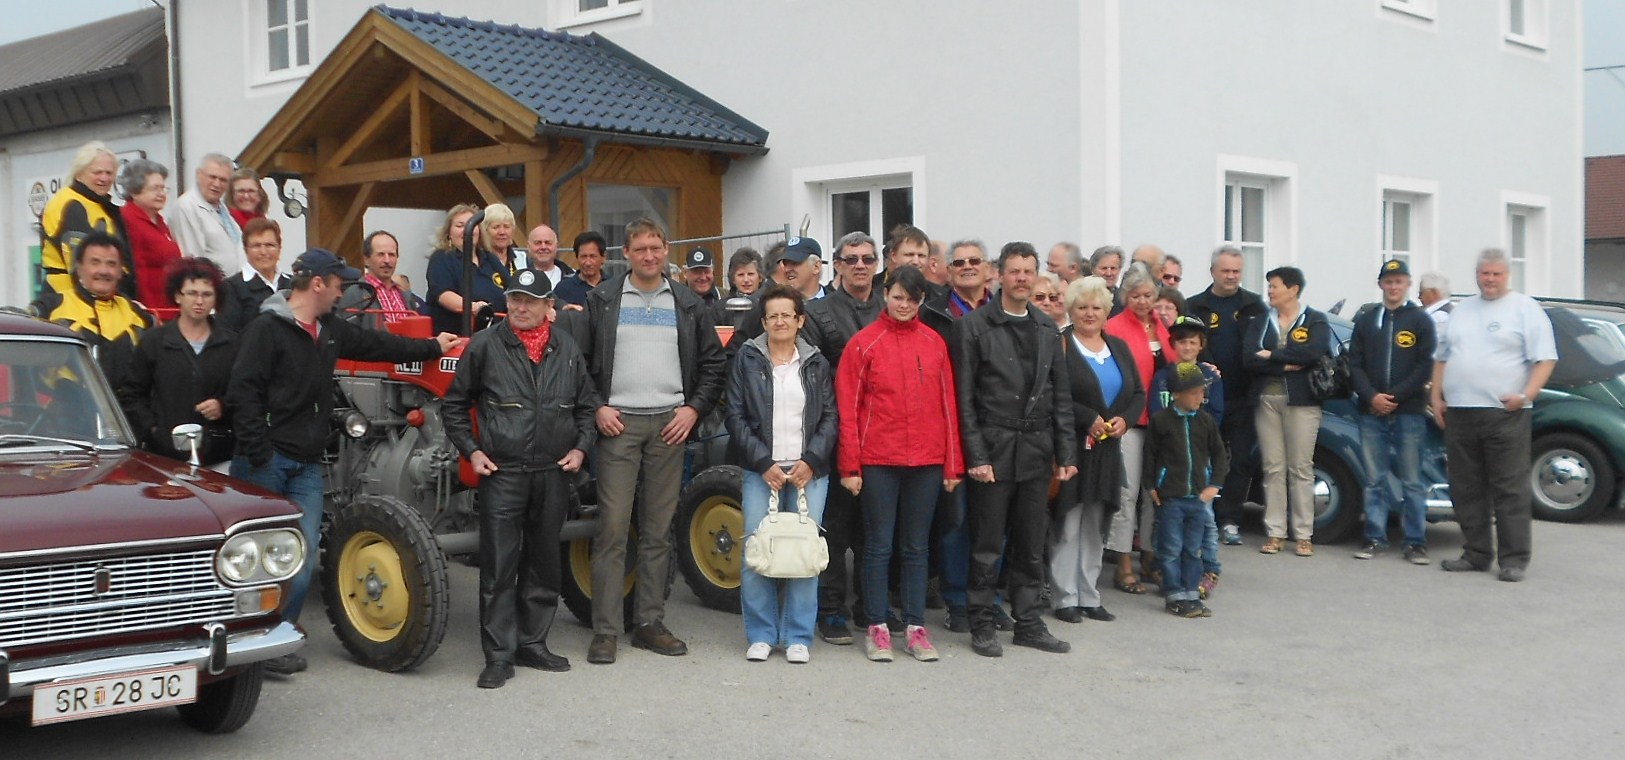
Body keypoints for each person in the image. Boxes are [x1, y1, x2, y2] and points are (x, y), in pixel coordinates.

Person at [228, 249, 460, 675]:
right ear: (318, 283)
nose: (343, 292)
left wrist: (432, 346)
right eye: (339, 284)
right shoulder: (266, 329)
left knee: (302, 551)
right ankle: (242, 636)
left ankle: (277, 638)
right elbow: (243, 391)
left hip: (306, 460)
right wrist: (258, 448)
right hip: (267, 458)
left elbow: (379, 345)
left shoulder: (329, 329)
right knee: (257, 553)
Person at [444, 268, 599, 688]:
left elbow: (587, 405)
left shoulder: (566, 347)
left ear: (550, 306)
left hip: (552, 471)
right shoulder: (485, 346)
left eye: (531, 300)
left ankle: (533, 643)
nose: (521, 307)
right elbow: (454, 405)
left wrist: (580, 448)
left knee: (544, 562)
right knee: (499, 566)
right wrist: (472, 451)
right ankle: (498, 655)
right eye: (515, 298)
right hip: (504, 472)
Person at [581, 217, 726, 664]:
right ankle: (604, 631)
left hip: (669, 425)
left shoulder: (687, 303)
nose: (649, 255)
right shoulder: (602, 299)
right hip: (618, 427)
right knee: (611, 530)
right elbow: (579, 365)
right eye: (641, 248)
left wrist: (693, 409)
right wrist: (597, 408)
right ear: (626, 253)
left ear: (666, 251)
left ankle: (647, 622)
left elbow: (713, 365)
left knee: (658, 532)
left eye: (656, 248)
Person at [952, 242, 1077, 658]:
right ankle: (982, 621)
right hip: (994, 446)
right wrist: (977, 456)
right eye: (1014, 271)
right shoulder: (973, 327)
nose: (1021, 278)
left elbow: (1060, 396)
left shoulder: (1046, 328)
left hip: (1038, 449)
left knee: (1029, 542)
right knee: (987, 543)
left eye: (1028, 271)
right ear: (998, 276)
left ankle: (1028, 621)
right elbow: (964, 399)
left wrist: (1067, 454)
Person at [837, 266, 961, 661]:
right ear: (884, 294)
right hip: (878, 459)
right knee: (876, 547)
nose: (904, 304)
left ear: (922, 299)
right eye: (897, 296)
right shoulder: (863, 344)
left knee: (916, 547)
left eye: (912, 298)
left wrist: (952, 465)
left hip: (926, 459)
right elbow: (848, 410)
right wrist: (850, 466)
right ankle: (876, 626)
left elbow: (948, 407)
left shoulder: (935, 343)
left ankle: (915, 627)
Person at [726, 284, 837, 664]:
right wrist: (763, 463)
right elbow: (736, 416)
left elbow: (829, 418)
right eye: (772, 315)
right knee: (757, 550)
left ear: (800, 320)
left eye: (786, 315)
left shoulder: (817, 362)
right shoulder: (748, 358)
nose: (779, 321)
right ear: (763, 321)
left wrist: (811, 460)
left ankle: (797, 636)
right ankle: (760, 633)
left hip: (809, 471)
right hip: (763, 470)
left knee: (803, 552)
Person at [1430, 249, 1555, 583]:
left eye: (1496, 274)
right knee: (1465, 486)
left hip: (1505, 412)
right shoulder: (1461, 310)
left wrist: (1526, 395)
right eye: (1485, 273)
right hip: (1460, 412)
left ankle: (1513, 560)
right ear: (1477, 275)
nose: (1490, 280)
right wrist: (1436, 395)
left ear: (1507, 276)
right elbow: (1442, 356)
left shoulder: (1525, 309)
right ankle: (1475, 553)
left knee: (1509, 488)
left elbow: (1545, 359)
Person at [786, 231, 884, 645]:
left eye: (867, 258)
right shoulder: (818, 312)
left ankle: (870, 606)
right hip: (836, 433)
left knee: (874, 529)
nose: (860, 265)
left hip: (882, 434)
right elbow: (814, 380)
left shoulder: (889, 306)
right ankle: (830, 611)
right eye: (851, 259)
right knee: (832, 527)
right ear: (836, 266)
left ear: (877, 264)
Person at [1051, 276, 1141, 626]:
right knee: (1069, 523)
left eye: (1097, 307)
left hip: (1106, 451)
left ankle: (1089, 594)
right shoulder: (1060, 345)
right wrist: (1087, 417)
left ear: (1107, 312)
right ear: (1071, 310)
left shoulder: (1118, 347)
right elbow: (1052, 394)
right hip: (1072, 448)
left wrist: (1125, 421)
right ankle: (1064, 597)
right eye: (1083, 307)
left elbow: (1137, 395)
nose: (1090, 313)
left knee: (1095, 525)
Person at [920, 238, 999, 634]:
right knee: (956, 518)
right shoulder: (932, 314)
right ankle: (957, 601)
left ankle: (989, 597)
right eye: (960, 262)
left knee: (994, 521)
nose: (967, 267)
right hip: (948, 426)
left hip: (996, 427)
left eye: (975, 261)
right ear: (948, 270)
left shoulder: (1004, 311)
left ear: (988, 269)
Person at [1349, 259, 1436, 565]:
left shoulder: (1421, 320)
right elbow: (1354, 363)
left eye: (1399, 281)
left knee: (1412, 479)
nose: (1394, 286)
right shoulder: (1367, 320)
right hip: (1370, 410)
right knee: (1374, 478)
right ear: (1380, 284)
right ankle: (1375, 537)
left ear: (1408, 284)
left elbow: (1425, 364)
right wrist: (1372, 396)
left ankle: (1415, 541)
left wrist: (1396, 396)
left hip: (1409, 410)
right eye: (1389, 281)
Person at [1244, 266, 1331, 557]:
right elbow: (1249, 358)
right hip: (1267, 400)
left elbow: (1313, 353)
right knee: (1273, 467)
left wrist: (1272, 355)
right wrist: (1283, 365)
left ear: (1293, 289)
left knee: (1301, 468)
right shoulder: (1260, 321)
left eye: (1275, 286)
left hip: (1303, 402)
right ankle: (1275, 532)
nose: (1269, 291)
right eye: (1269, 286)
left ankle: (1304, 533)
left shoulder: (1315, 319)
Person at [119, 257, 237, 466]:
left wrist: (223, 405)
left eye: (207, 294)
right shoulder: (154, 341)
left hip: (219, 457)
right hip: (164, 459)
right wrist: (154, 430)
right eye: (192, 293)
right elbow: (131, 395)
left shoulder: (232, 344)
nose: (199, 301)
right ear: (177, 296)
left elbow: (246, 393)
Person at [1186, 245, 1266, 545]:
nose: (1231, 276)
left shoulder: (1255, 306)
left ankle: (1230, 519)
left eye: (1236, 271)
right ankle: (1201, 514)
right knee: (1204, 458)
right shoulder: (1195, 306)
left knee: (1241, 460)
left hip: (1245, 397)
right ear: (1212, 272)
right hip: (1205, 399)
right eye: (1226, 271)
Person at [1103, 264, 1171, 593]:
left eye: (1148, 295)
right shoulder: (1114, 327)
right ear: (1124, 296)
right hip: (1128, 419)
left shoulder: (1164, 326)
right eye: (1135, 295)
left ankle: (1149, 554)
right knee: (1126, 494)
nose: (1142, 301)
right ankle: (1123, 561)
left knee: (1153, 493)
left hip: (1162, 421)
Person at [1148, 316, 1225, 598]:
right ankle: (1165, 569)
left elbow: (1216, 413)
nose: (1187, 347)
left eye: (1193, 342)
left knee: (1205, 519)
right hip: (1170, 462)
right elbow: (1157, 412)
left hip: (1199, 460)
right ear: (1173, 345)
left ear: (1200, 345)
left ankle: (1209, 569)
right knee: (1167, 519)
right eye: (1182, 342)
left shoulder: (1211, 376)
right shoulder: (1162, 377)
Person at [30, 231, 153, 391]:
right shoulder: (49, 308)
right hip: (64, 409)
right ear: (79, 268)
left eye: (111, 264)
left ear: (120, 272)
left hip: (124, 412)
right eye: (95, 262)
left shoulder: (138, 316)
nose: (103, 271)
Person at [38, 141, 127, 298]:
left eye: (109, 173)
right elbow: (81, 268)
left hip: (99, 300)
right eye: (97, 172)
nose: (104, 178)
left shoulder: (98, 204)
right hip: (68, 302)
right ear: (79, 174)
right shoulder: (71, 204)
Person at [426, 203, 507, 335]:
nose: (466, 230)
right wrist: (474, 307)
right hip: (456, 337)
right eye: (460, 226)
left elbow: (511, 287)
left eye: (471, 225)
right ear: (449, 233)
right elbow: (442, 294)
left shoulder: (489, 258)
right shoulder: (442, 258)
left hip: (494, 336)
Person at [118, 159, 183, 309]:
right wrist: (149, 311)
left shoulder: (159, 221)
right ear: (135, 191)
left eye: (163, 188)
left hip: (170, 304)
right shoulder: (128, 219)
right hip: (152, 308)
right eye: (155, 189)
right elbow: (138, 270)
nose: (161, 194)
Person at [168, 153, 243, 275]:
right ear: (198, 175)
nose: (217, 184)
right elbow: (192, 258)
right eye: (212, 177)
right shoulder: (186, 207)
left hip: (235, 286)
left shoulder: (222, 208)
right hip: (212, 287)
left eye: (223, 180)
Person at [220, 218, 292, 333]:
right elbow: (228, 335)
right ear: (245, 250)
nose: (263, 252)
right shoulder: (231, 288)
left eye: (269, 245)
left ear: (279, 248)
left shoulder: (293, 284)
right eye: (256, 246)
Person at [337, 230, 421, 327]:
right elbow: (347, 335)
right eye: (381, 254)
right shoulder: (354, 294)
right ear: (366, 260)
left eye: (391, 255)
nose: (387, 260)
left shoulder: (406, 295)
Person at [555, 231, 609, 309]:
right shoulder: (563, 288)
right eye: (583, 256)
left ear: (603, 258)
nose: (588, 263)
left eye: (593, 256)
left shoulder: (613, 286)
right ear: (577, 257)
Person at [525, 224, 574, 289]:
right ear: (528, 246)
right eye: (538, 243)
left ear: (556, 246)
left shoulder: (572, 276)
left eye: (548, 242)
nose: (543, 247)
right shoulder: (519, 277)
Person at [482, 204, 525, 275]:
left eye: (506, 226)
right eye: (496, 227)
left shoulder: (523, 259)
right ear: (485, 230)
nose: (502, 232)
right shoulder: (478, 260)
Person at [682, 247, 722, 317]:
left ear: (713, 271)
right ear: (685, 273)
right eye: (697, 272)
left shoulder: (724, 297)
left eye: (706, 271)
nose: (703, 277)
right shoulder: (676, 300)